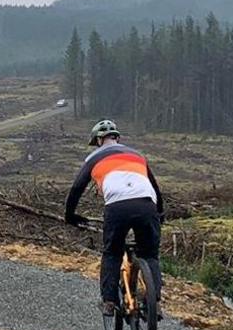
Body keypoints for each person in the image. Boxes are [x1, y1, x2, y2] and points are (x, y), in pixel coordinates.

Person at [62, 120, 163, 318]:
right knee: (150, 254)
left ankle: (109, 302)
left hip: (117, 207)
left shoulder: (93, 158)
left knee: (112, 253)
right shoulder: (137, 155)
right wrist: (160, 214)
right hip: (147, 204)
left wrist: (70, 215)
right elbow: (156, 188)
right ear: (117, 138)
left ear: (99, 140)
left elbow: (76, 189)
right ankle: (156, 303)